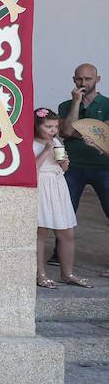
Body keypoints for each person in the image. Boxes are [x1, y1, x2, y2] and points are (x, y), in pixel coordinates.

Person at [33, 108, 86, 288]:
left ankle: (67, 273)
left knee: (67, 232)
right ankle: (40, 274)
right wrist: (46, 150)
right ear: (37, 126)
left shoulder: (57, 141)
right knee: (40, 233)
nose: (53, 130)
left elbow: (63, 169)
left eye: (55, 126)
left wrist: (64, 164)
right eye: (48, 126)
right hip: (41, 186)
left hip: (57, 185)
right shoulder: (29, 143)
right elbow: (32, 169)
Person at [59, 64, 109, 226]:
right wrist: (76, 102)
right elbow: (65, 131)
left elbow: (105, 136)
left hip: (104, 166)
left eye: (88, 79)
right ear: (74, 80)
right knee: (64, 215)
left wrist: (76, 132)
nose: (83, 83)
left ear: (98, 79)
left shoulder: (107, 104)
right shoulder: (65, 105)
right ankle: (59, 252)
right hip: (73, 166)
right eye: (79, 78)